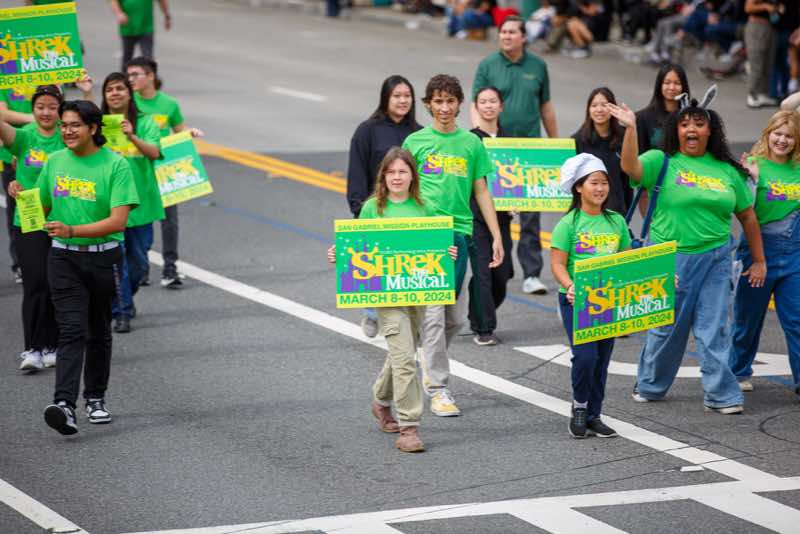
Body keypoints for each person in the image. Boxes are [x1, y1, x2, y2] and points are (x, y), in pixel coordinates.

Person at [609, 91, 766, 414]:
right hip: (672, 258)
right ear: (676, 131)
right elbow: (630, 167)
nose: (691, 129)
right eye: (684, 124)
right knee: (667, 329)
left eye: (698, 123)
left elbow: (747, 216)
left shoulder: (727, 170)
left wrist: (759, 260)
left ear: (710, 131)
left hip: (716, 259)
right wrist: (630, 129)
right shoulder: (661, 161)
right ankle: (651, 384)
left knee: (714, 329)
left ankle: (721, 394)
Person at [328, 148, 458, 452]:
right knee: (406, 360)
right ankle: (409, 427)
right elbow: (358, 248)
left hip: (417, 292)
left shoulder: (426, 207)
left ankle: (380, 400)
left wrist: (447, 254)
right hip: (388, 297)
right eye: (391, 172)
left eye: (402, 171)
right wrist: (339, 254)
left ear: (412, 175)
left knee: (404, 351)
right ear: (383, 176)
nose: (396, 177)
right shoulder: (372, 208)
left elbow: (438, 247)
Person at [35, 100, 139, 435]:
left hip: (104, 258)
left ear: (93, 128)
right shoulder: (54, 161)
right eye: (64, 125)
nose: (67, 131)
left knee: (98, 330)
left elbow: (118, 222)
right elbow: (39, 210)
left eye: (74, 125)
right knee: (71, 329)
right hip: (63, 258)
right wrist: (23, 196)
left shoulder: (116, 165)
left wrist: (73, 229)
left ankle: (95, 398)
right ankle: (64, 404)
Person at [403, 74, 504, 417]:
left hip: (460, 235)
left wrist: (496, 235)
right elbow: (401, 188)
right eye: (438, 101)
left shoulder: (471, 144)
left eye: (450, 101)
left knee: (455, 318)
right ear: (428, 104)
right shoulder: (415, 141)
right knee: (433, 316)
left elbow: (481, 190)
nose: (444, 108)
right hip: (427, 235)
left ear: (460, 104)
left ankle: (425, 358)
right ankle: (438, 388)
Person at [471, 15, 558, 295]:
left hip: (529, 150)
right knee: (498, 210)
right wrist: (480, 138)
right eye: (503, 32)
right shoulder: (488, 65)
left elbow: (546, 106)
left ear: (524, 37)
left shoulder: (538, 66)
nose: (506, 36)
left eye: (512, 32)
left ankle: (532, 273)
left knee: (530, 214)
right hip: (497, 150)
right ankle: (497, 263)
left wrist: (555, 146)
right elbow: (477, 103)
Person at [551, 154, 629, 438]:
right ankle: (580, 406)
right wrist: (570, 285)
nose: (600, 188)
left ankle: (595, 414)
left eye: (604, 183)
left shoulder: (616, 221)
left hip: (607, 300)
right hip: (577, 300)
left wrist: (663, 277)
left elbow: (627, 260)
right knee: (585, 357)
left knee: (602, 358)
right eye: (594, 182)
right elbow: (557, 264)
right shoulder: (568, 224)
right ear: (579, 187)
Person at [730, 110, 800, 394]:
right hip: (757, 251)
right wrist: (752, 180)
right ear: (767, 134)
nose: (782, 140)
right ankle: (738, 372)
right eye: (777, 134)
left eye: (789, 136)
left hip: (794, 254)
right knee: (748, 318)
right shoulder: (753, 164)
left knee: (796, 320)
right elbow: (741, 210)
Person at [346, 76, 421, 338]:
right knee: (375, 265)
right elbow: (356, 171)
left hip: (408, 210)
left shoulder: (418, 133)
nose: (403, 100)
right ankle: (371, 312)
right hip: (376, 210)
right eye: (397, 96)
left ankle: (404, 318)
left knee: (402, 267)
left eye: (407, 96)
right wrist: (359, 208)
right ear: (385, 98)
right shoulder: (368, 130)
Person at [2, 86, 64, 371]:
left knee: (56, 285)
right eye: (40, 107)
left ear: (60, 109)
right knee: (34, 283)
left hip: (64, 219)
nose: (46, 112)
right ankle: (32, 349)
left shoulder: (68, 136)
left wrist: (87, 94)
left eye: (52, 106)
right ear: (33, 109)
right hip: (29, 220)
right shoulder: (25, 136)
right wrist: (15, 184)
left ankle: (53, 345)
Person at [126, 57, 202, 288]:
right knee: (141, 218)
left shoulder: (169, 104)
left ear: (150, 76)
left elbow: (179, 129)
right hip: (139, 167)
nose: (131, 79)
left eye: (135, 74)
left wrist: (190, 133)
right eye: (128, 75)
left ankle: (170, 267)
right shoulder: (129, 103)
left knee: (170, 220)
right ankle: (141, 266)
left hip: (164, 166)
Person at [100, 73, 163, 334]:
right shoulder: (98, 124)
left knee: (139, 265)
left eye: (119, 88)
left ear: (129, 93)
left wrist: (132, 135)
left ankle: (125, 297)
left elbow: (155, 152)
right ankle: (121, 311)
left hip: (142, 205)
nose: (114, 93)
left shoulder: (146, 122)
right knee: (118, 263)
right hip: (110, 205)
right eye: (109, 90)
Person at [468, 86, 514, 346]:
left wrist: (519, 202)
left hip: (503, 218)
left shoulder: (511, 141)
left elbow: (522, 179)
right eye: (483, 102)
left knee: (502, 273)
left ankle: (477, 309)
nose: (488, 106)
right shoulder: (470, 140)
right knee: (483, 271)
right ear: (476, 107)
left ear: (501, 106)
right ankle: (484, 328)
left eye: (493, 101)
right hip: (475, 217)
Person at [573, 87, 631, 214]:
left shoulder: (624, 137)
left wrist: (626, 211)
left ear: (613, 108)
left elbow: (627, 181)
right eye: (594, 105)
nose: (599, 110)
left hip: (616, 211)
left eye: (604, 105)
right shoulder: (577, 140)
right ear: (588, 110)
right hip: (587, 212)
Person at [1, 86, 34, 284]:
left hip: (49, 153)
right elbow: (2, 113)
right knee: (20, 213)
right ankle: (22, 263)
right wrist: (33, 118)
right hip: (14, 155)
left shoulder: (45, 71)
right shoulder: (5, 76)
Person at [636, 63, 690, 154]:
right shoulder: (642, 117)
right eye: (667, 83)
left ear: (683, 86)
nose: (672, 88)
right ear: (659, 85)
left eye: (677, 83)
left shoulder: (690, 116)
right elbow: (640, 156)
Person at [110, 0, 172, 69]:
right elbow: (113, 1)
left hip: (146, 28)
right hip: (128, 27)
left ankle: (151, 74)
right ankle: (125, 75)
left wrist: (167, 16)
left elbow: (162, 1)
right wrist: (119, 13)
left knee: (148, 59)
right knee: (126, 60)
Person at [744, 0, 783, 108]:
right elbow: (748, 7)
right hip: (757, 27)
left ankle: (762, 95)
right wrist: (765, 6)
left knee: (767, 64)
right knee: (757, 64)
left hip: (770, 27)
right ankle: (752, 95)